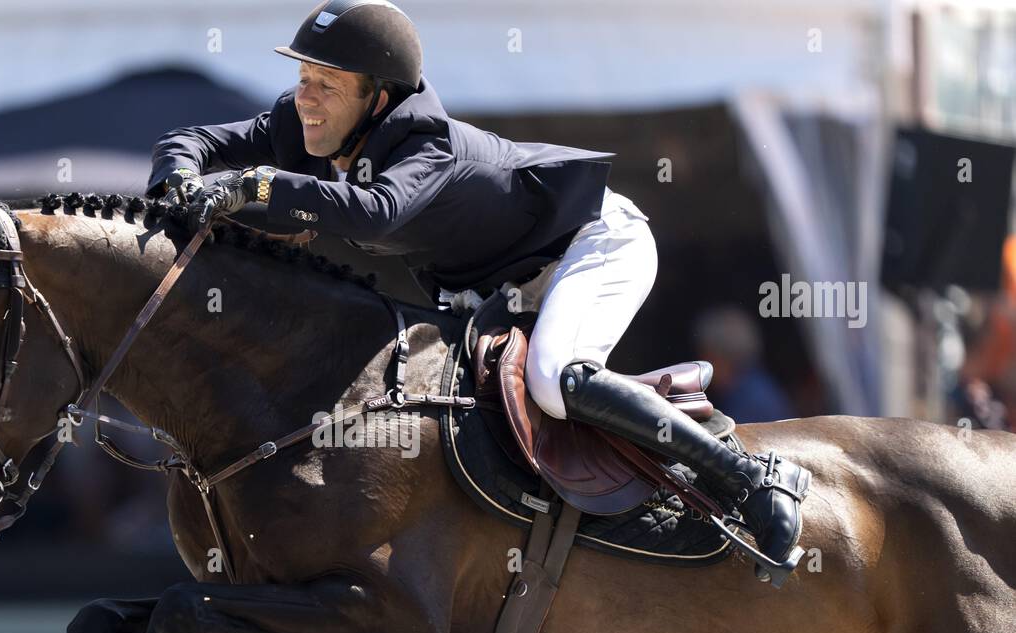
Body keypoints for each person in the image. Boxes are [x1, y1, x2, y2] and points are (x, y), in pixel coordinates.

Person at [145, 0, 809, 584]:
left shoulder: (424, 146)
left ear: (379, 96)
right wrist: (176, 178)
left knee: (556, 378)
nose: (306, 97)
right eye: (303, 78)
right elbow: (193, 139)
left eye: (327, 83)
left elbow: (372, 213)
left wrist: (251, 187)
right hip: (502, 283)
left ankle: (748, 481)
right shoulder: (306, 120)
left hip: (595, 243)